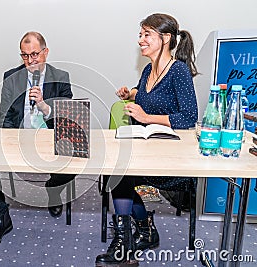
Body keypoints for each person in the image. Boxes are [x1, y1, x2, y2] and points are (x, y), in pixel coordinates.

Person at [95, 13, 198, 266]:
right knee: (119, 172)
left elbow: (189, 116)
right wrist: (130, 93)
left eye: (146, 34)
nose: (140, 39)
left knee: (124, 175)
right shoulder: (148, 70)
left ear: (165, 38)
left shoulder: (179, 71)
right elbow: (145, 94)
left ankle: (126, 244)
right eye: (140, 34)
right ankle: (144, 231)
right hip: (146, 151)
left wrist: (148, 117)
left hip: (171, 159)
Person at [0, 31, 76, 249]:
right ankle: (1, 216)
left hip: (50, 137)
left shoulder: (61, 76)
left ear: (45, 52)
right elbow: (5, 113)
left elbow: (66, 117)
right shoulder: (11, 76)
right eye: (25, 56)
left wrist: (44, 106)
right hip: (19, 136)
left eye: (35, 55)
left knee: (75, 158)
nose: (30, 61)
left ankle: (54, 188)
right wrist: (10, 139)